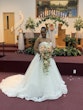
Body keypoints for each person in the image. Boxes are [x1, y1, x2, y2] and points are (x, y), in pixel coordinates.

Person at [0, 27, 68, 102]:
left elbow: (51, 48)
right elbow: (35, 48)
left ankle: (50, 88)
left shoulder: (49, 40)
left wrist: (49, 52)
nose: (43, 34)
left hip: (48, 58)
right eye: (42, 32)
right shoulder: (39, 40)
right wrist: (41, 52)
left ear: (46, 32)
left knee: (49, 72)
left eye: (44, 32)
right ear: (40, 33)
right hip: (40, 58)